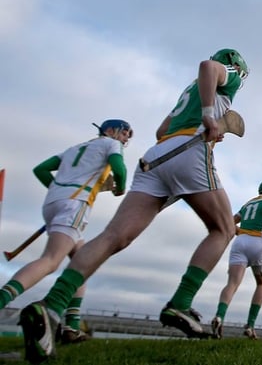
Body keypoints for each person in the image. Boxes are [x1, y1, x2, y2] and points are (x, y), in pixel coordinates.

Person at [19, 48, 249, 363]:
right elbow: (208, 65)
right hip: (189, 151)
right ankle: (180, 303)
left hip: (156, 157)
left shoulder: (188, 91)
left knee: (114, 235)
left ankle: (52, 305)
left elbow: (160, 131)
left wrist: (209, 119)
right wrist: (210, 115)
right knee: (223, 229)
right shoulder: (227, 73)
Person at [0, 120, 132, 344]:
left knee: (82, 263)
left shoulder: (73, 149)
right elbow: (119, 168)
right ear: (110, 131)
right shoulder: (112, 145)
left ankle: (71, 327)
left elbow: (40, 169)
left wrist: (58, 192)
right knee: (51, 261)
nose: (127, 138)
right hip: (74, 205)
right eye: (125, 132)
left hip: (53, 203)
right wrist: (119, 188)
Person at [210, 180, 262, 340]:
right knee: (261, 284)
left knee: (232, 284)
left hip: (240, 242)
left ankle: (219, 316)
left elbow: (230, 220)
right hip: (258, 242)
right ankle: (250, 325)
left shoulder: (248, 203)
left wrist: (238, 231)